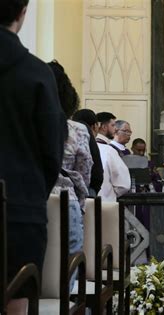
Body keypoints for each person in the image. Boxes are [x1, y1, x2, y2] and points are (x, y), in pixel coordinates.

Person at [0, 0, 66, 312]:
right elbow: (52, 152)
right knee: (18, 298)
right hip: (20, 210)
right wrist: (31, 192)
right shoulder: (37, 74)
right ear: (22, 12)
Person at [48, 60, 93, 291]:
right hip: (66, 201)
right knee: (66, 273)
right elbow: (84, 172)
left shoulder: (22, 124)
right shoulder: (76, 129)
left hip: (28, 200)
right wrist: (81, 201)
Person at [72, 108, 104, 197]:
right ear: (94, 126)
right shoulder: (87, 136)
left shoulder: (69, 132)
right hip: (87, 188)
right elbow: (90, 164)